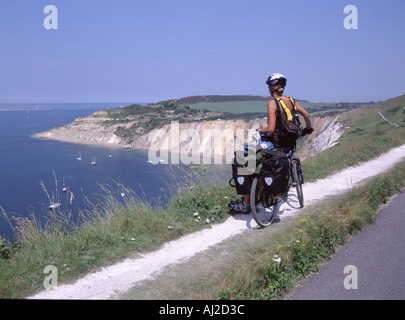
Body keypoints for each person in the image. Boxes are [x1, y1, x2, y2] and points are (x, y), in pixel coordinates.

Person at [229, 73, 313, 214]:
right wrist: (309, 128)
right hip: (289, 145)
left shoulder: (272, 103)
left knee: (250, 159)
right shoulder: (291, 101)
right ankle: (261, 192)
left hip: (276, 146)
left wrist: (258, 130)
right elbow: (307, 115)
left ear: (270, 88)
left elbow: (271, 128)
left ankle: (246, 203)